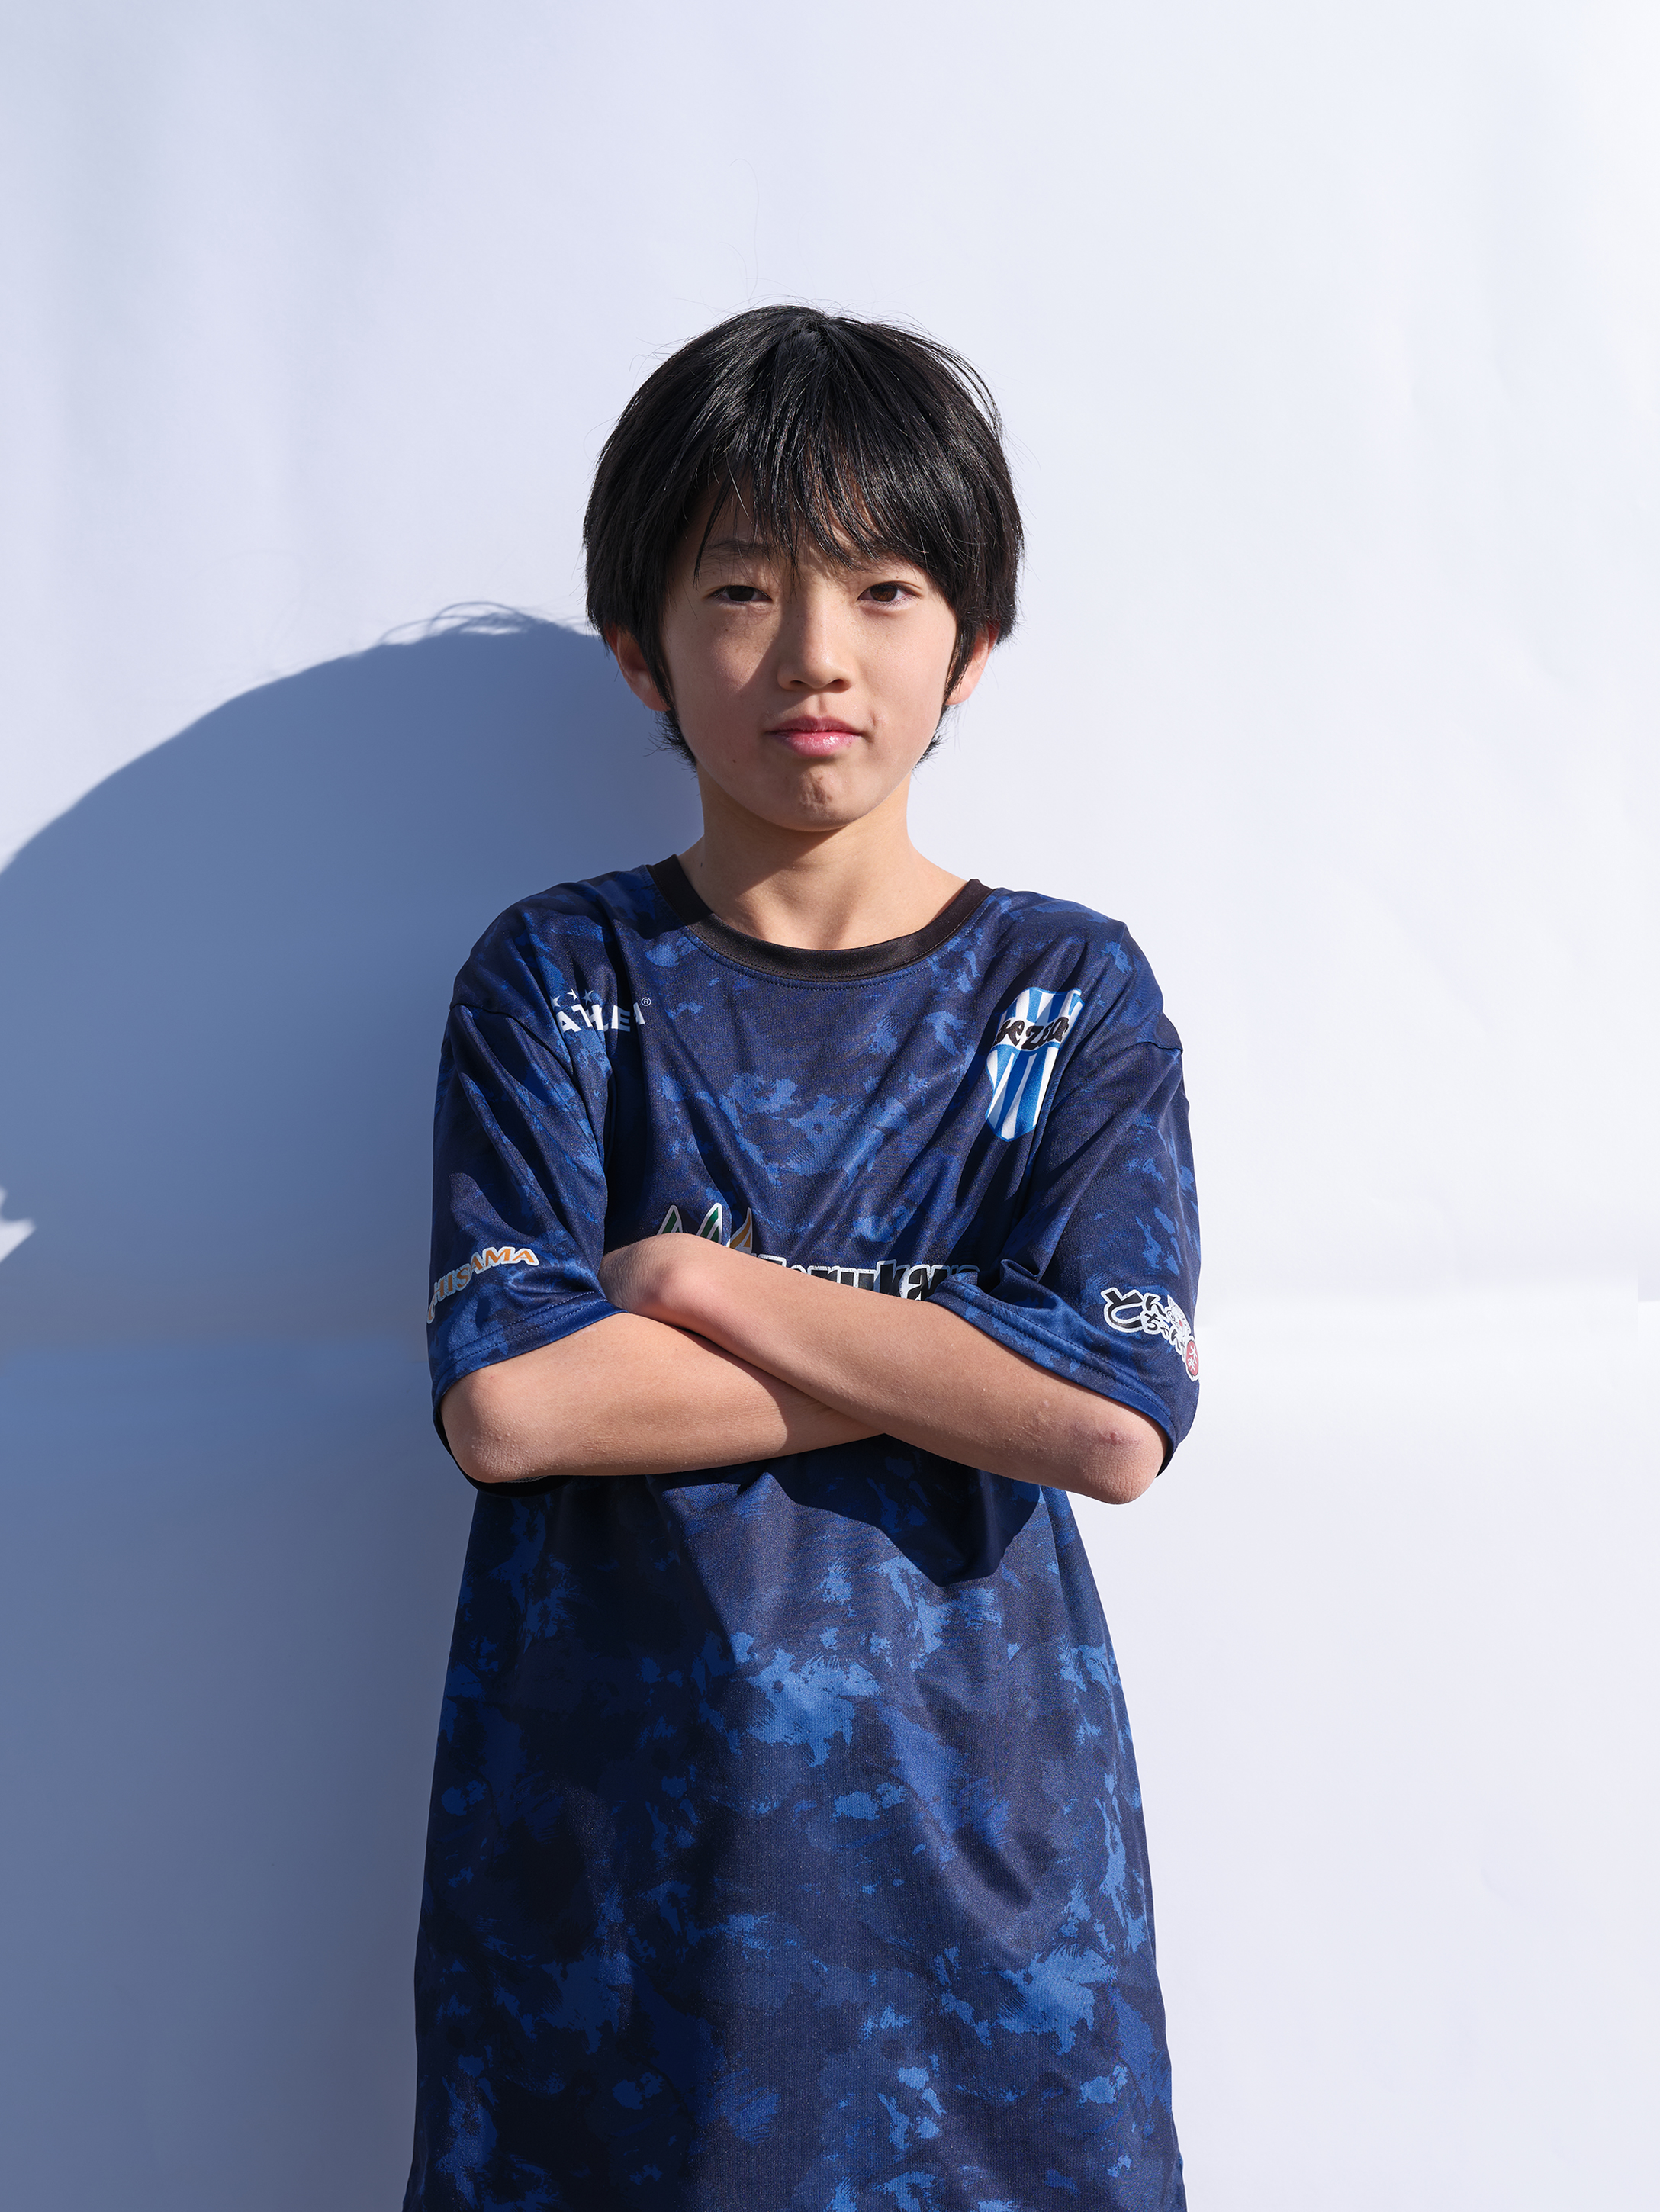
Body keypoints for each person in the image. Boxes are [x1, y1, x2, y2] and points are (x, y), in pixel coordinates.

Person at [404, 306, 1200, 2212]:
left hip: (987, 1877)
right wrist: (956, 1349)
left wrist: (701, 1283)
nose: (814, 654)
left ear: (970, 646)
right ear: (641, 649)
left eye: (883, 587)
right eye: (743, 587)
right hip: (612, 1874)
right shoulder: (558, 978)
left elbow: (1105, 1419)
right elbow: (514, 1406)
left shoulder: (1065, 993)